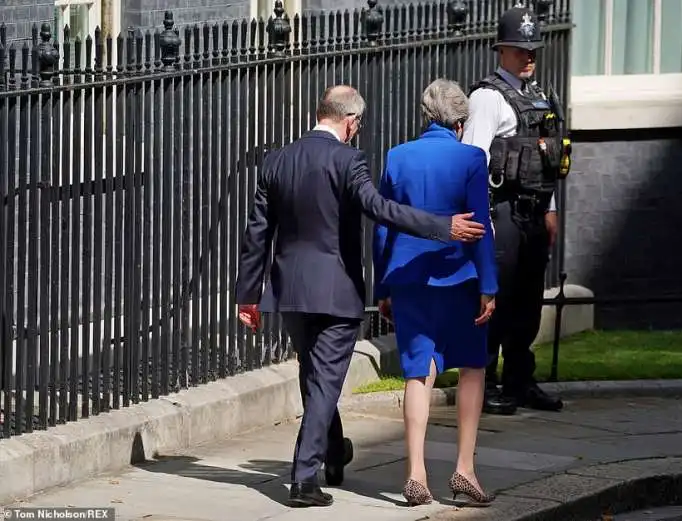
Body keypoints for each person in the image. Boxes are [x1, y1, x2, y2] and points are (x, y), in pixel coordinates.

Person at [235, 85, 487, 508]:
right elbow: (382, 209)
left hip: (290, 291)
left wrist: (248, 294)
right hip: (335, 291)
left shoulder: (276, 161)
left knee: (315, 378)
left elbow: (257, 231)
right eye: (359, 126)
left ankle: (334, 451)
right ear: (350, 122)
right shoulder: (348, 160)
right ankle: (303, 478)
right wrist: (444, 227)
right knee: (325, 382)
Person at [373, 79, 497, 506]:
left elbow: (383, 225)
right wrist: (489, 285)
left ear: (427, 116)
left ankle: (416, 473)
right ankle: (464, 469)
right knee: (473, 369)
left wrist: (383, 286)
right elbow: (479, 227)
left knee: (417, 372)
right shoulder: (470, 158)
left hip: (408, 279)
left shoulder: (397, 156)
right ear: (459, 122)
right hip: (459, 277)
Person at [460, 4, 571, 415]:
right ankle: (484, 381)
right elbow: (471, 160)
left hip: (535, 210)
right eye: (520, 50)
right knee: (496, 298)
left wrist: (551, 208)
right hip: (501, 211)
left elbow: (545, 161)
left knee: (527, 301)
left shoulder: (538, 98)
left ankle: (520, 380)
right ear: (501, 51)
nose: (528, 56)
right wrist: (478, 219)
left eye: (532, 50)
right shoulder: (488, 98)